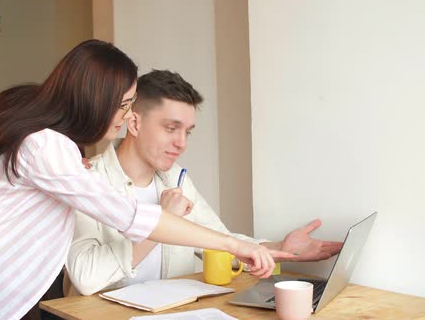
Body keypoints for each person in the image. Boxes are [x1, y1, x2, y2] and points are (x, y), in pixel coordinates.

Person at [0, 40, 293, 320]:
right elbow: (131, 217)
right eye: (121, 105)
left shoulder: (26, 110)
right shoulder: (46, 146)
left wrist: (262, 248)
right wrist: (234, 244)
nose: (124, 117)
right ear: (92, 100)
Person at [65, 70, 343, 296]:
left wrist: (280, 248)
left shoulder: (176, 178)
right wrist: (161, 221)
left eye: (187, 132)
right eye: (171, 128)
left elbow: (220, 243)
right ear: (134, 124)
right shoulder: (86, 180)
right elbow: (86, 279)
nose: (181, 143)